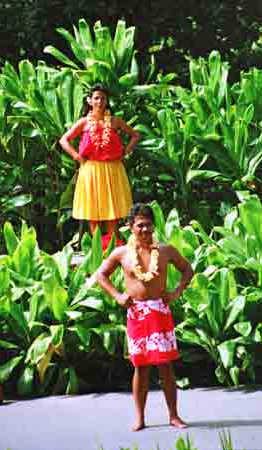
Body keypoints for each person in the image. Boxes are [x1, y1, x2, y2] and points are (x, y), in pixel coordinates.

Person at [96, 203, 194, 431]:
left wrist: (176, 293)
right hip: (137, 314)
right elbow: (101, 275)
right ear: (130, 227)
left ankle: (174, 416)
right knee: (140, 367)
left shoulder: (166, 250)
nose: (145, 230)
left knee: (166, 366)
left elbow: (187, 270)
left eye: (149, 225)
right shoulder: (121, 253)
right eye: (140, 225)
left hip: (160, 311)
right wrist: (118, 296)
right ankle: (140, 418)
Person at [59, 84, 140, 239]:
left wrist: (125, 152)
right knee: (93, 209)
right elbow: (64, 140)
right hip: (91, 170)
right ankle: (97, 246)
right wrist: (76, 156)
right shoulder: (84, 122)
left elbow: (135, 135)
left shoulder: (115, 121)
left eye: (103, 98)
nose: (100, 101)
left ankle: (114, 243)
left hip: (113, 169)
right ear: (90, 101)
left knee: (112, 208)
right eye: (96, 98)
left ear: (107, 101)